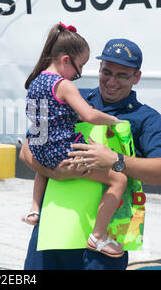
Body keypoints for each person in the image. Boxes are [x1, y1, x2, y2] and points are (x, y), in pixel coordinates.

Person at [20, 37, 161, 270]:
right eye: (107, 72)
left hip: (102, 250)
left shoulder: (146, 119)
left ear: (137, 77)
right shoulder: (72, 97)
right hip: (52, 232)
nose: (111, 81)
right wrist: (55, 172)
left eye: (122, 75)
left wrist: (116, 160)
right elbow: (27, 149)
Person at [22, 22, 127, 257]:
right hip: (64, 155)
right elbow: (88, 115)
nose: (79, 74)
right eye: (79, 67)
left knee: (44, 167)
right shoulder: (64, 85)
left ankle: (34, 208)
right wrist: (113, 120)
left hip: (41, 150)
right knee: (118, 179)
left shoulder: (36, 81)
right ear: (66, 60)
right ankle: (98, 237)